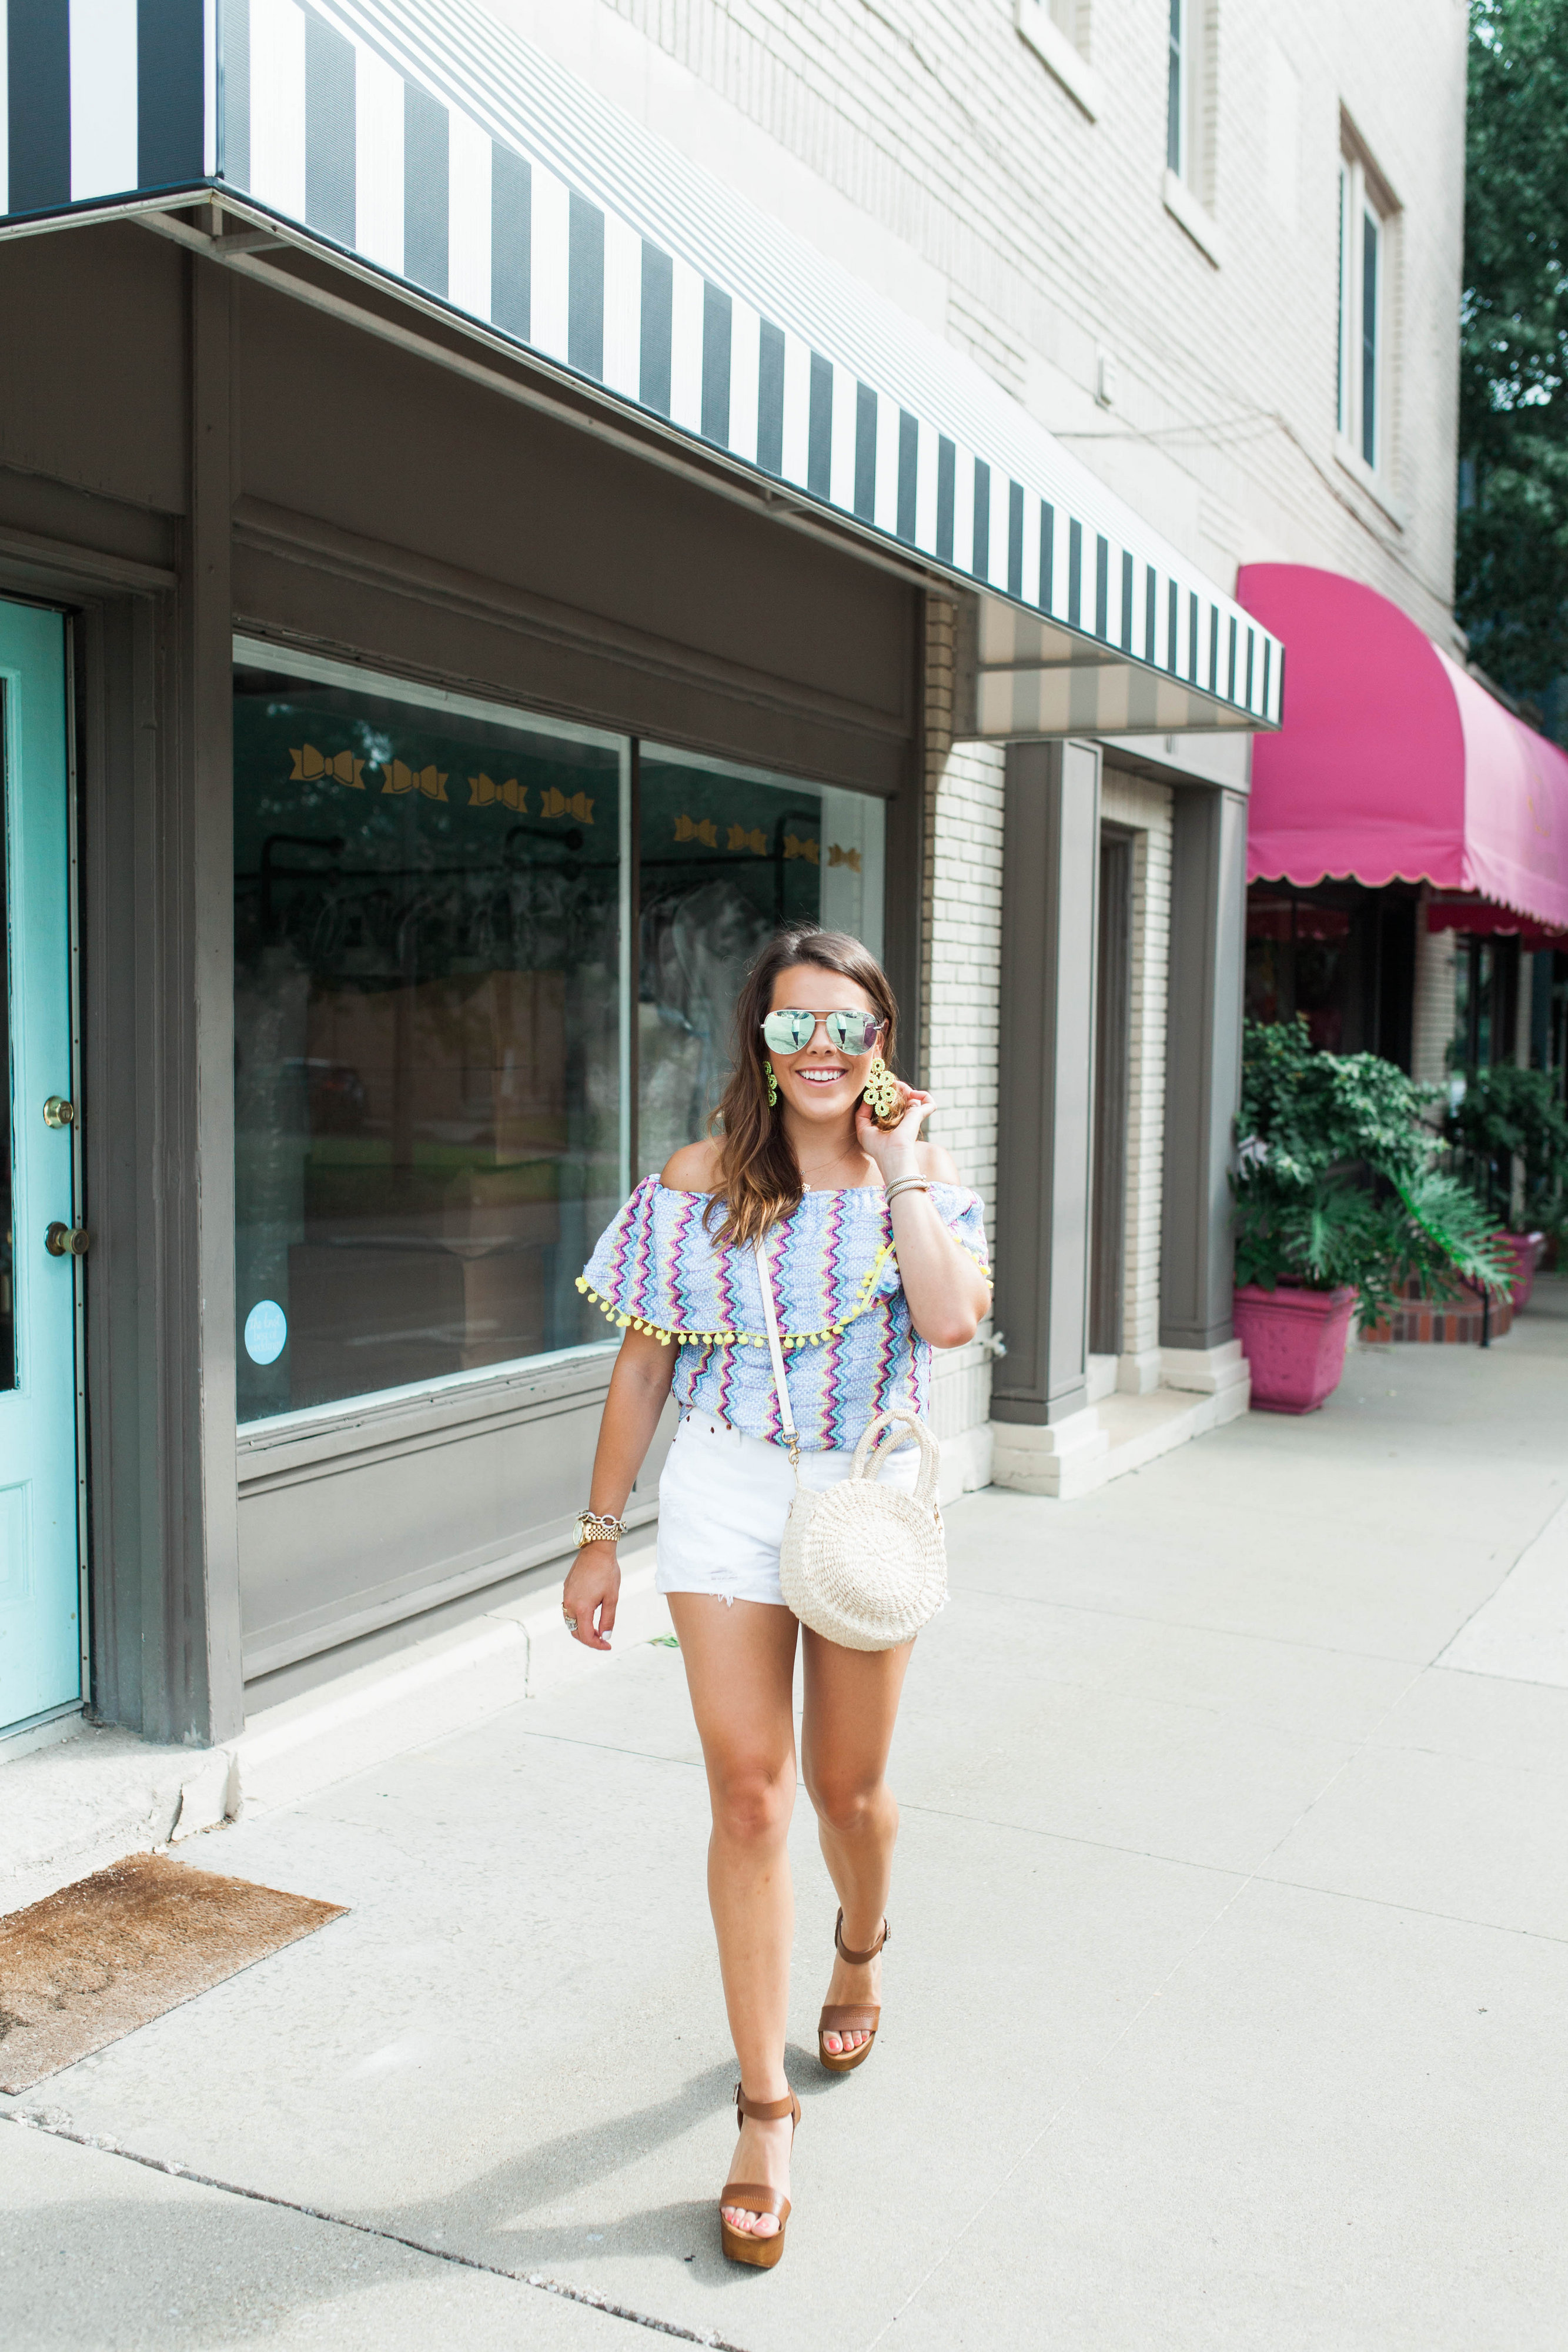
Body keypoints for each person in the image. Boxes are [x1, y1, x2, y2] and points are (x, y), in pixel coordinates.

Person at [561, 925, 991, 2269]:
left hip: (863, 1498)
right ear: (757, 1038)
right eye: (793, 1023)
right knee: (748, 1794)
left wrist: (906, 1166)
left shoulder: (910, 1179)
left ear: (878, 1044)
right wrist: (596, 1533)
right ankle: (762, 2106)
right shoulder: (692, 1185)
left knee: (844, 1791)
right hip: (724, 1497)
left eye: (846, 1026)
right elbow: (641, 1371)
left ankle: (859, 1944)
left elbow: (948, 1322)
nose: (820, 1048)